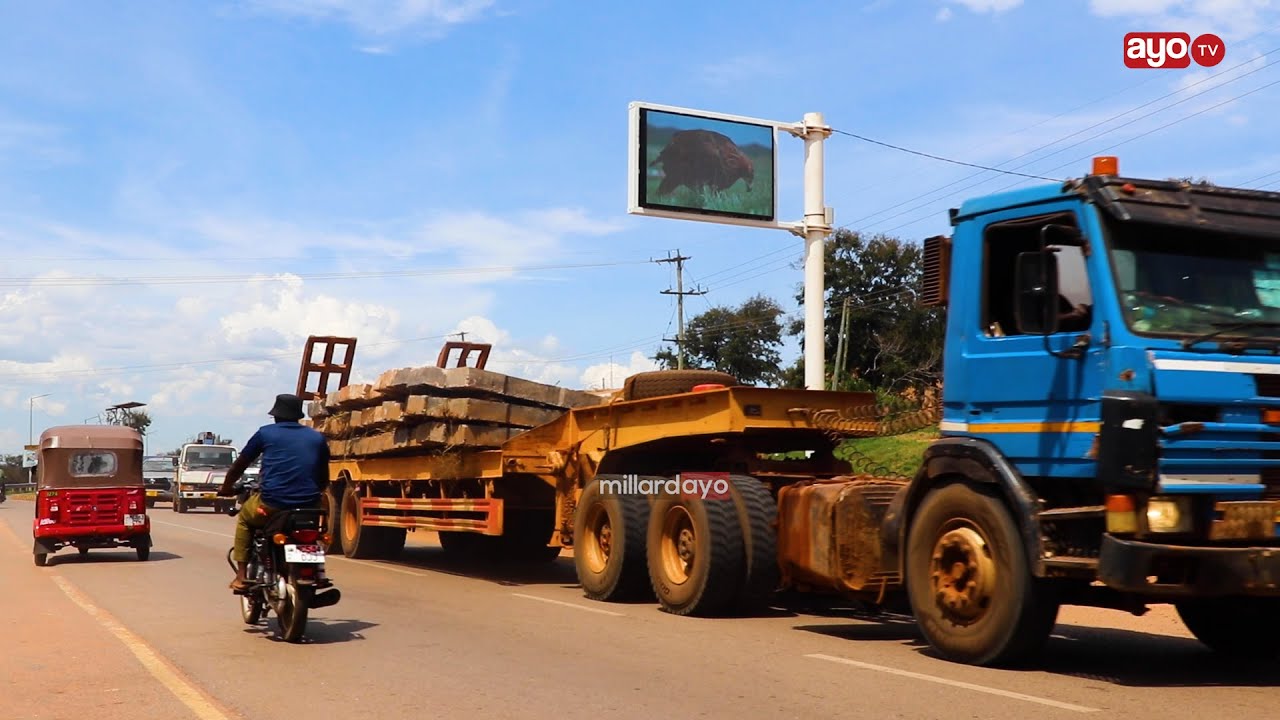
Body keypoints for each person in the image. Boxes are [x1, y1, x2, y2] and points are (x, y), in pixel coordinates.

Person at [218, 393, 330, 591]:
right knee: (314, 535)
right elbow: (323, 477)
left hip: (272, 503)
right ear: (297, 415)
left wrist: (226, 487)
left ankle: (241, 576)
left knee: (245, 518)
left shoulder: (265, 433)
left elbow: (240, 464)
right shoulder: (317, 437)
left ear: (276, 416)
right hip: (309, 506)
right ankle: (318, 573)